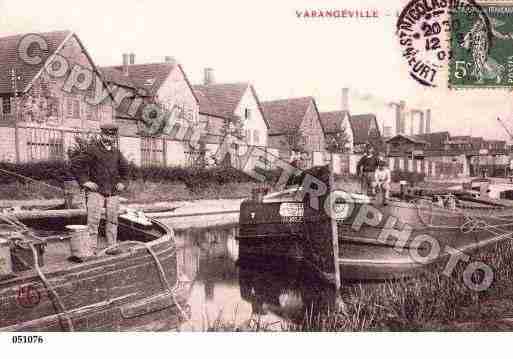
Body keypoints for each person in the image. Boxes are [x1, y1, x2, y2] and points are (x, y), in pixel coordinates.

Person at [71, 123, 129, 254]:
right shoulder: (92, 149)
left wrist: (123, 183)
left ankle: (112, 247)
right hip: (96, 192)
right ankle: (91, 249)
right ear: (101, 135)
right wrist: (85, 182)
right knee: (93, 221)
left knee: (113, 221)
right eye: (106, 135)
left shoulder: (116, 152)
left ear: (115, 137)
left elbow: (126, 171)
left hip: (113, 192)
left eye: (112, 135)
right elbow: (75, 165)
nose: (109, 138)